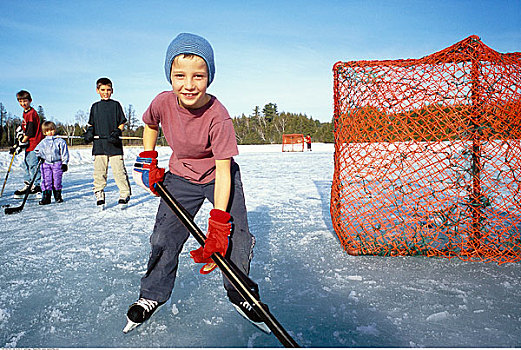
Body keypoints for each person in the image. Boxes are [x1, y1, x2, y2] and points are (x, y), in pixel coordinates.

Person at [127, 33, 267, 333]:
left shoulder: (219, 117)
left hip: (219, 177)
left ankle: (240, 294)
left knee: (236, 239)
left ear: (209, 77)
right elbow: (150, 124)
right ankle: (151, 295)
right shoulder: (162, 102)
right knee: (164, 237)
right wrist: (149, 157)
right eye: (180, 75)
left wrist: (218, 223)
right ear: (170, 76)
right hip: (179, 176)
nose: (188, 84)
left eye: (198, 76)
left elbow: (224, 170)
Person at [83, 77, 131, 208]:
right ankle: (99, 193)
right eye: (103, 90)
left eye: (108, 90)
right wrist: (89, 132)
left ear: (112, 91)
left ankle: (124, 194)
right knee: (99, 172)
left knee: (119, 171)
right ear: (97, 90)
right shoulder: (95, 107)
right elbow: (91, 124)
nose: (106, 92)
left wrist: (117, 132)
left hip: (113, 143)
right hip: (99, 145)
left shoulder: (115, 105)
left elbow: (122, 122)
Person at [10, 90, 44, 198]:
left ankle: (37, 186)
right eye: (20, 101)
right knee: (26, 164)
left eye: (25, 101)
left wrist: (21, 143)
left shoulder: (31, 113)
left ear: (30, 101)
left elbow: (30, 132)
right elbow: (24, 128)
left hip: (35, 143)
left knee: (33, 164)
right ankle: (28, 184)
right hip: (30, 144)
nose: (23, 103)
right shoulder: (25, 112)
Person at [34, 121, 69, 205]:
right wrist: (39, 156)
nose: (50, 132)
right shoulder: (43, 142)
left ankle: (58, 196)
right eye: (47, 131)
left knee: (57, 180)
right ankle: (46, 197)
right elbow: (37, 151)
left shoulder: (59, 141)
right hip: (46, 164)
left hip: (57, 163)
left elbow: (64, 153)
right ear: (44, 132)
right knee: (46, 180)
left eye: (52, 130)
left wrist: (64, 163)